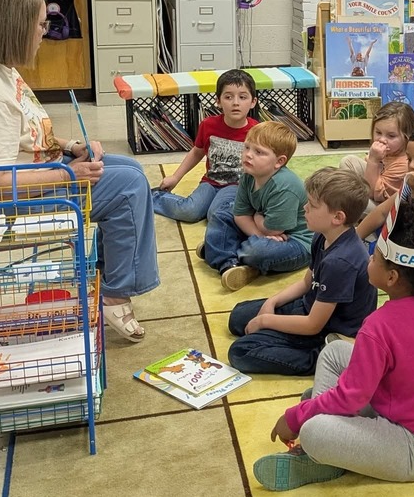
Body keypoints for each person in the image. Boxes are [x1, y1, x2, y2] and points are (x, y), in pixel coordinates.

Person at [0, 0, 158, 343]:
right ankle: (116, 294)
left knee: (129, 168)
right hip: (7, 203)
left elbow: (23, 134)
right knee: (129, 187)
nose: (44, 32)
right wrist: (69, 175)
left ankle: (108, 276)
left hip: (31, 174)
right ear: (13, 27)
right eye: (40, 24)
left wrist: (69, 148)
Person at [252, 200, 414, 491]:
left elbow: (351, 399)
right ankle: (325, 419)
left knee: (313, 430)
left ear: (392, 278)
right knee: (334, 352)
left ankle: (318, 455)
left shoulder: (379, 325)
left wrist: (296, 417)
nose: (368, 258)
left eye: (375, 257)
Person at [226, 168, 378, 376]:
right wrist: (272, 302)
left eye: (312, 205)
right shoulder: (322, 235)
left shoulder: (340, 262)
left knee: (241, 352)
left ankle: (321, 358)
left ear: (337, 217)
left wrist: (265, 320)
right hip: (310, 306)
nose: (304, 208)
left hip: (328, 329)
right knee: (238, 317)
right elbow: (307, 283)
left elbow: (313, 325)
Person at [200, 122, 312, 291]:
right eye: (247, 147)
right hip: (266, 232)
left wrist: (258, 220)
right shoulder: (248, 175)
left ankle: (220, 249)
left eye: (259, 152)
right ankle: (229, 265)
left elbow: (273, 231)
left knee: (257, 251)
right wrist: (260, 230)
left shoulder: (284, 186)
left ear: (279, 162)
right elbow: (239, 215)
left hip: (296, 242)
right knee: (222, 214)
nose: (248, 155)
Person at [151, 69, 259, 222]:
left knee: (216, 215)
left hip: (237, 187)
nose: (235, 102)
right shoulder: (208, 125)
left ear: (253, 102)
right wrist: (175, 177)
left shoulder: (258, 131)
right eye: (228, 97)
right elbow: (196, 152)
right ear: (218, 101)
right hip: (210, 182)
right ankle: (152, 196)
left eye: (242, 97)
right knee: (189, 211)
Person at [338, 101, 414, 215]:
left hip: (385, 209)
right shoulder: (391, 151)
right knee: (348, 161)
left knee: (352, 202)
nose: (382, 139)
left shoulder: (403, 164)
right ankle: (346, 196)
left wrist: (373, 161)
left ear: (407, 137)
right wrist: (373, 160)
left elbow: (371, 193)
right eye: (378, 132)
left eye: (391, 136)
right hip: (375, 183)